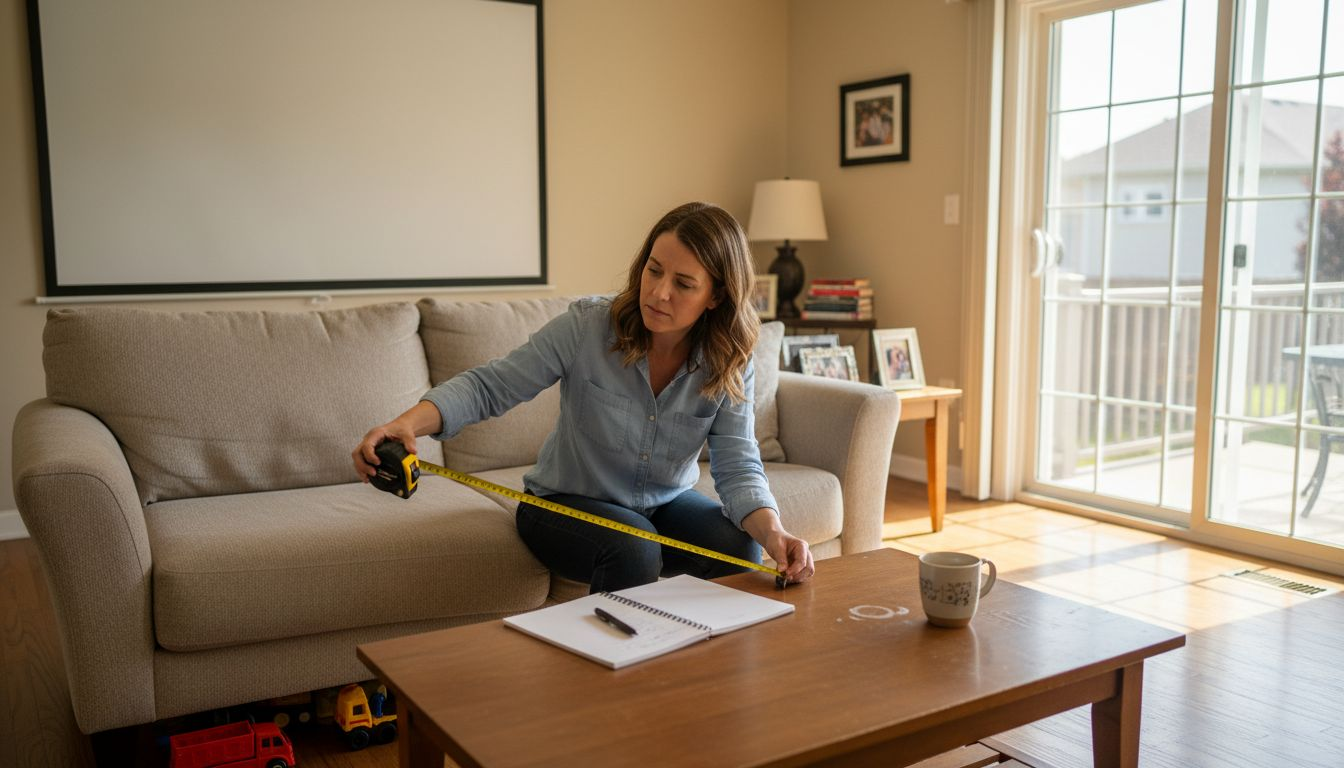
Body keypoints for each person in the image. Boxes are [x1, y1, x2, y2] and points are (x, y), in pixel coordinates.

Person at [352, 202, 814, 593]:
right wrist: (407, 424)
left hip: (663, 502)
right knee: (634, 544)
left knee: (740, 546)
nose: (658, 292)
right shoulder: (588, 327)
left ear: (715, 297)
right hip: (562, 504)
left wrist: (775, 532)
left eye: (684, 283)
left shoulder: (731, 359)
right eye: (654, 270)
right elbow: (490, 386)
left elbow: (737, 463)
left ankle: (702, 676)